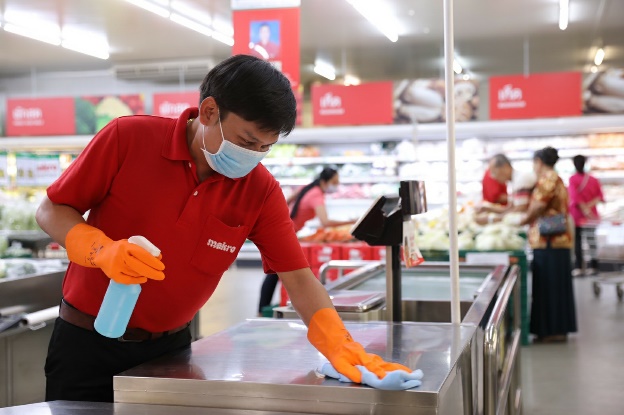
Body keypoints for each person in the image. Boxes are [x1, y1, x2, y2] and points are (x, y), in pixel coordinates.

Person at [36, 55, 411, 403]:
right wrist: (99, 250)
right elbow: (51, 209)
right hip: (86, 344)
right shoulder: (128, 138)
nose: (253, 156)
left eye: (265, 147)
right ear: (209, 111)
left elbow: (298, 276)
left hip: (169, 353)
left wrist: (339, 343)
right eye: (247, 141)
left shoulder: (259, 190)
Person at [258, 167, 354, 315]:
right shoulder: (317, 195)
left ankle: (262, 309)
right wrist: (352, 221)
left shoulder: (307, 187)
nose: (336, 185)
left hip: (280, 230)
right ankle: (263, 310)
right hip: (281, 233)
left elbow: (285, 200)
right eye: (335, 182)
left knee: (274, 272)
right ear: (325, 182)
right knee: (275, 273)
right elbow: (325, 222)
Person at [516, 147, 577, 343]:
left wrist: (522, 220)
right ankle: (555, 329)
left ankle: (553, 330)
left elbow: (538, 206)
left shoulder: (548, 178)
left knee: (550, 286)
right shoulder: (554, 178)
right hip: (554, 241)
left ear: (539, 162)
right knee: (554, 285)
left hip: (550, 241)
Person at [568, 155, 605, 276]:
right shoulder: (593, 179)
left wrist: (584, 209)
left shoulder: (573, 179)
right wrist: (589, 209)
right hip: (591, 217)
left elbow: (574, 197)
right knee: (591, 240)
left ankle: (579, 267)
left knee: (577, 242)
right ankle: (594, 266)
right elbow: (600, 196)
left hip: (577, 215)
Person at [476, 154, 537, 224]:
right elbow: (510, 208)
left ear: (505, 167)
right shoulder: (513, 181)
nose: (493, 177)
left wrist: (492, 219)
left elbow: (520, 209)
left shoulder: (521, 179)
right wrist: (488, 209)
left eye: (494, 172)